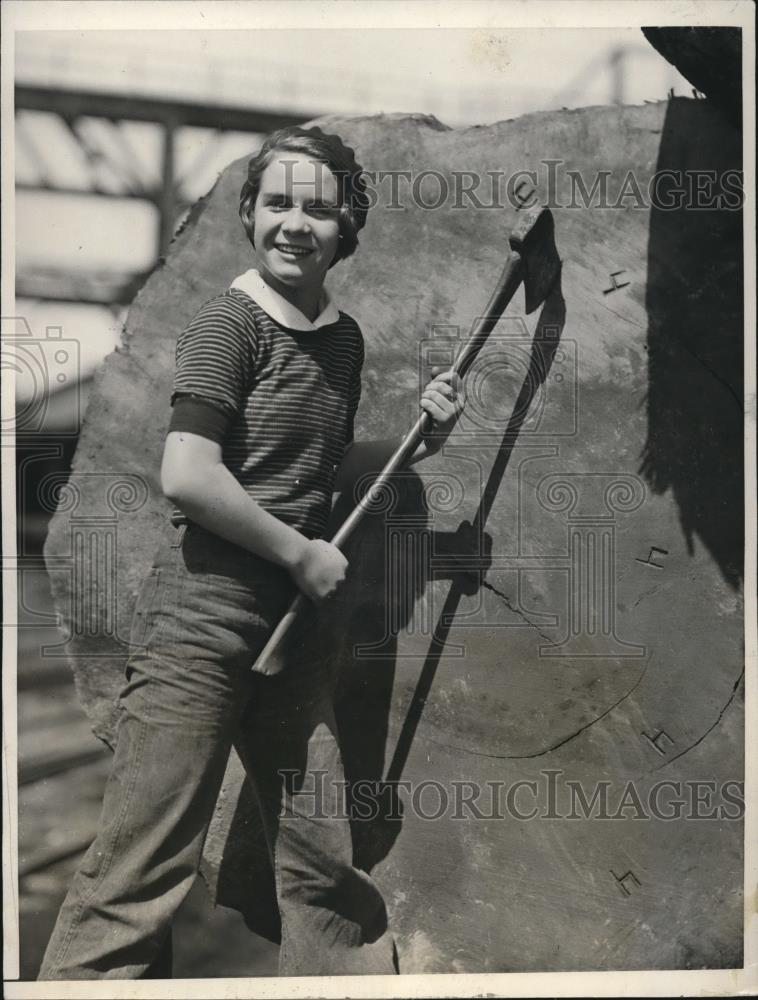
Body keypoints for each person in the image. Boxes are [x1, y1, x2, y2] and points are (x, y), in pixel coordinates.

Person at [39, 125, 462, 980]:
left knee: (321, 868)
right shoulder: (228, 326)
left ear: (350, 226)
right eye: (278, 203)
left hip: (297, 628)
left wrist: (417, 442)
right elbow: (188, 474)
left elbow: (315, 466)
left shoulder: (341, 339)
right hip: (202, 617)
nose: (296, 224)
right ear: (248, 213)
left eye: (319, 208)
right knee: (139, 868)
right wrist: (299, 552)